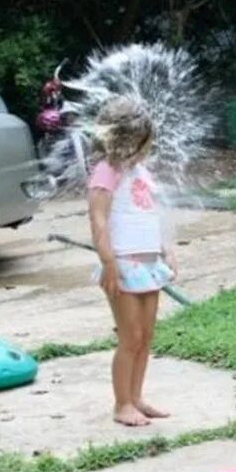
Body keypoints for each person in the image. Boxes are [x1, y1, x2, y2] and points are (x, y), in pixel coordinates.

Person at [87, 96, 178, 427]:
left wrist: (165, 247)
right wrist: (108, 261)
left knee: (146, 335)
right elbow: (98, 219)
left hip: (148, 263)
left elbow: (148, 211)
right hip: (123, 264)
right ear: (120, 140)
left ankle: (136, 396)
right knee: (130, 336)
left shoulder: (139, 170)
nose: (143, 151)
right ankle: (121, 403)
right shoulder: (106, 171)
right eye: (138, 144)